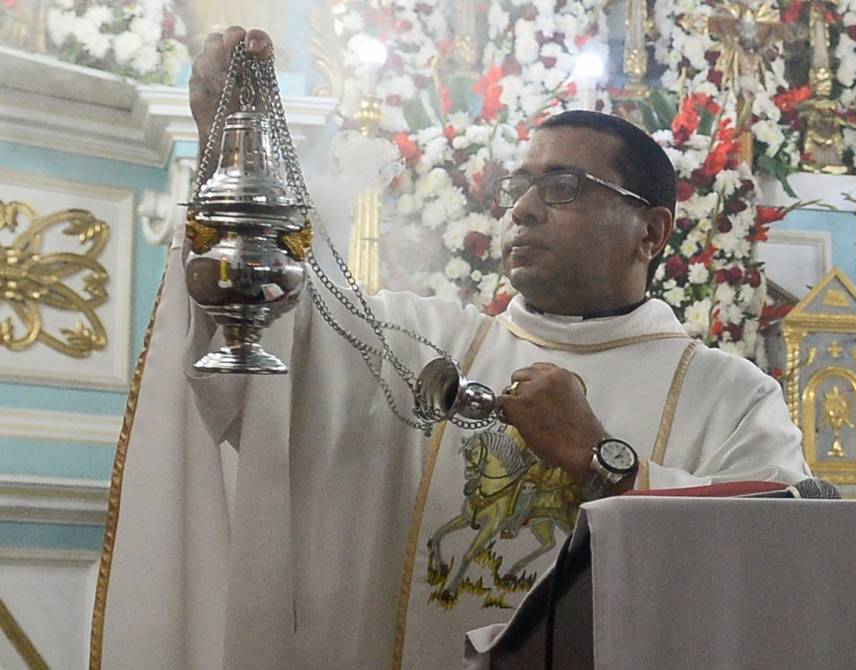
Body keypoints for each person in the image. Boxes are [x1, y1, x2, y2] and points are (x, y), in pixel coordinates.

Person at [90, 27, 811, 670]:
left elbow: (786, 569)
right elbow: (275, 328)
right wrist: (234, 156)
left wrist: (602, 458)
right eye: (518, 188)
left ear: (650, 234)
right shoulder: (420, 343)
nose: (522, 209)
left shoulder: (731, 397)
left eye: (562, 187)